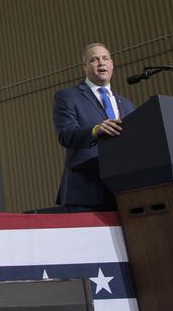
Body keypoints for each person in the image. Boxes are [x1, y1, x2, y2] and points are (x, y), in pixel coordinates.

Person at [53, 43, 135, 211]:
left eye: (105, 58)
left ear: (112, 64)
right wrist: (94, 131)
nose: (101, 63)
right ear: (85, 67)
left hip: (123, 190)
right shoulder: (68, 96)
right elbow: (66, 135)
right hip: (85, 189)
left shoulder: (126, 105)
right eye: (94, 59)